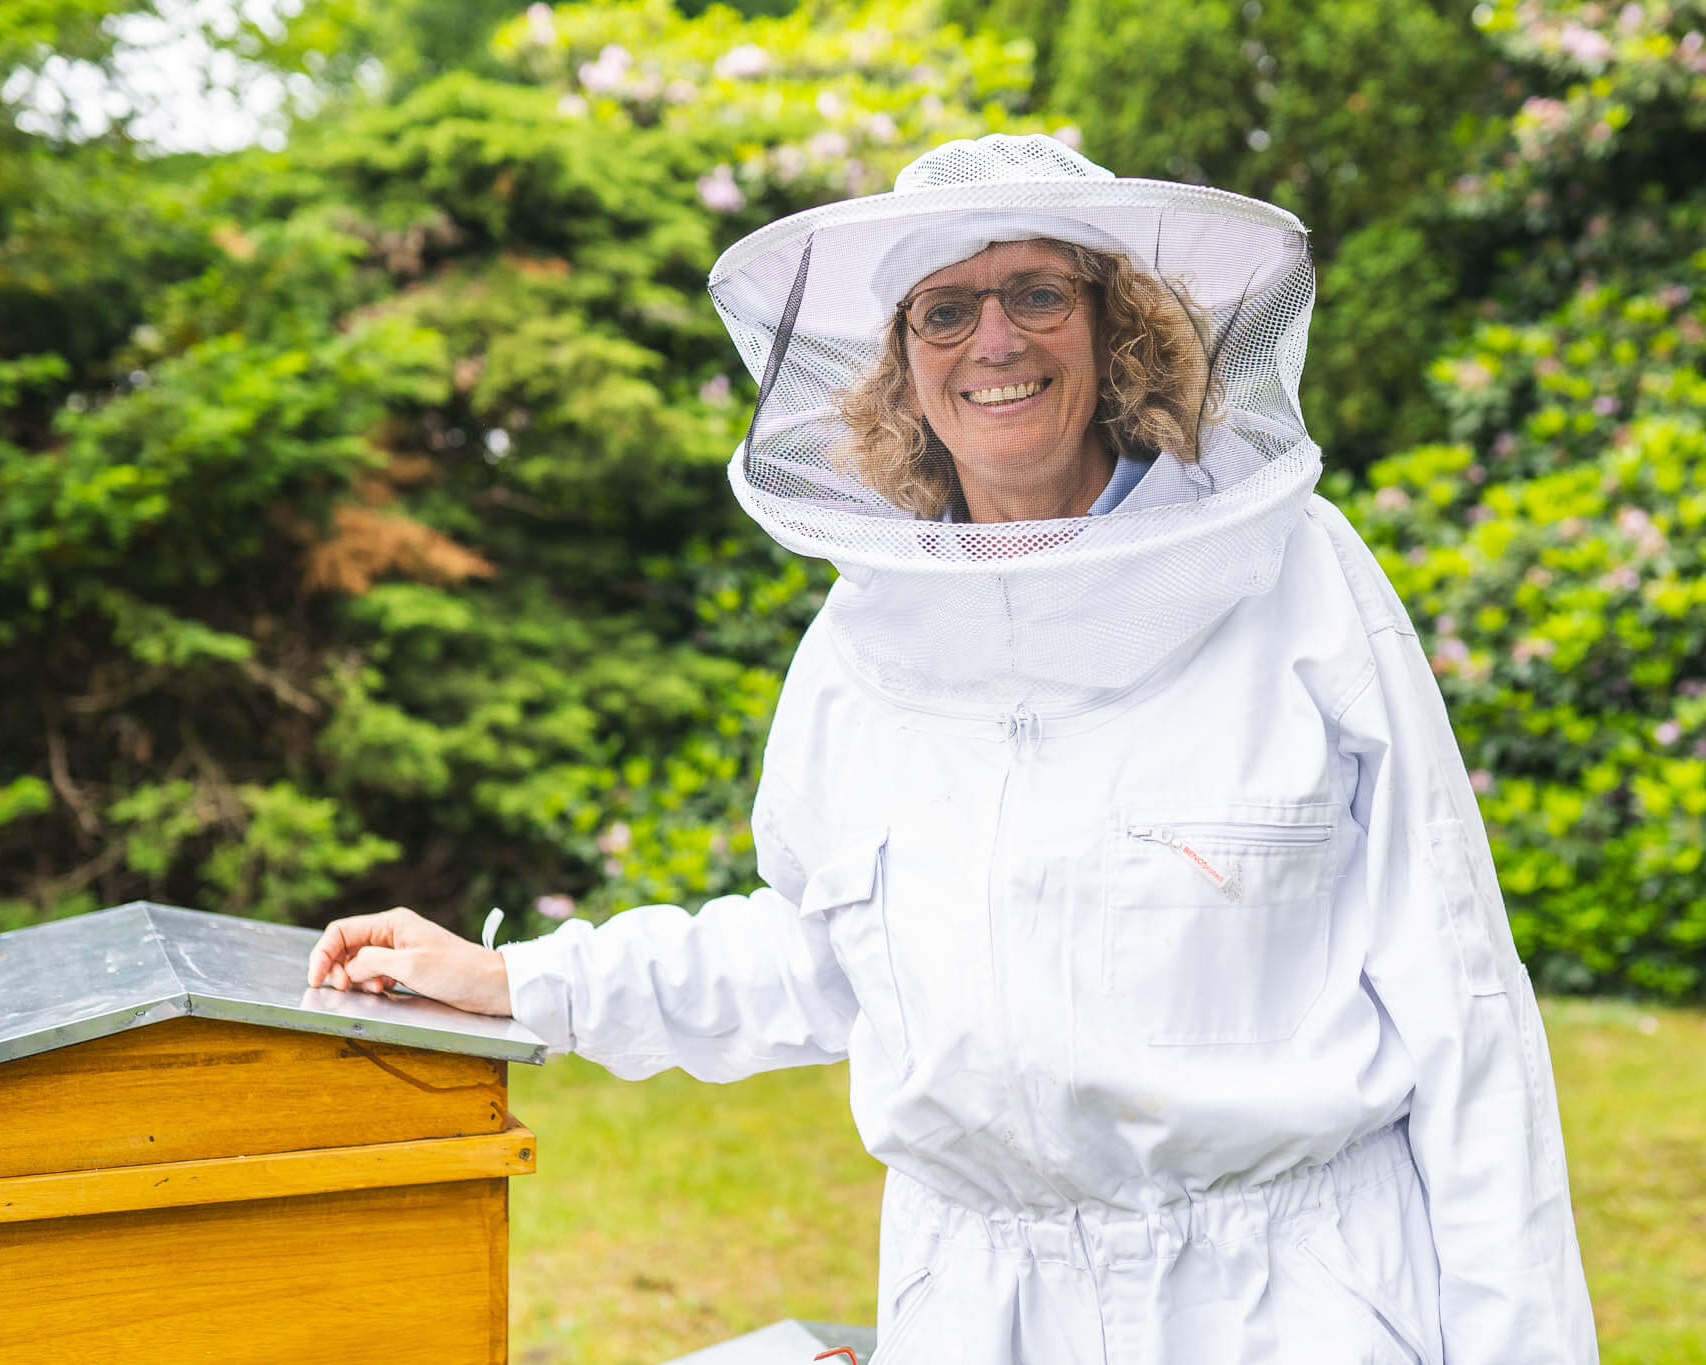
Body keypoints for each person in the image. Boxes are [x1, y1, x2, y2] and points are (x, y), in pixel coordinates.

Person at [308, 134, 1599, 1364]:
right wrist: (518, 982)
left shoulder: (1300, 580)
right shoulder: (865, 641)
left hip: (1288, 1304)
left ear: (1114, 326)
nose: (994, 339)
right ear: (901, 363)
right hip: (977, 1303)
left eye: (1037, 290)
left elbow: (1465, 1013)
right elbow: (818, 955)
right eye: (945, 308)